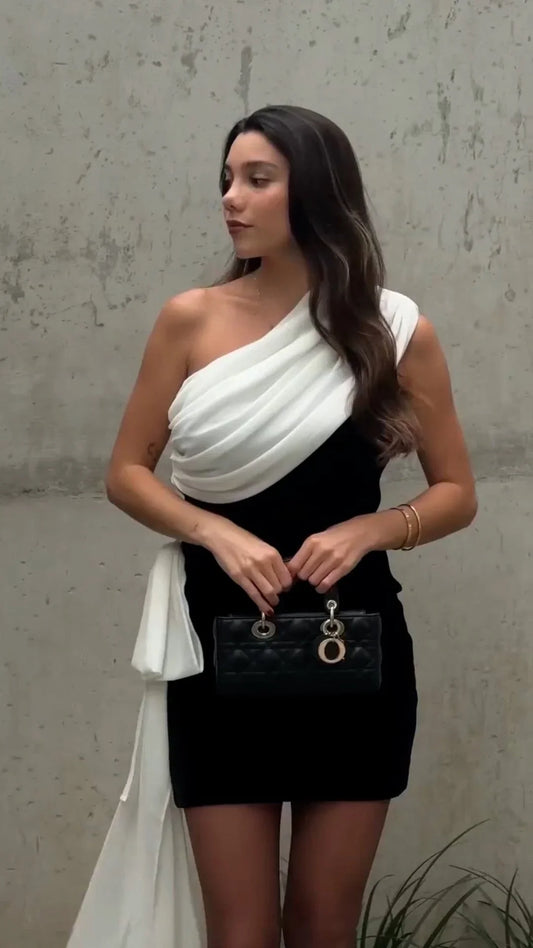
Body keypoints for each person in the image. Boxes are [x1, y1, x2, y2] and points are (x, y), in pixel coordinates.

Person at [68, 105, 477, 948]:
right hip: (218, 652)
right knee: (242, 932)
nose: (231, 198)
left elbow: (455, 493)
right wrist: (214, 531)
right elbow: (126, 474)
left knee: (325, 926)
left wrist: (370, 529)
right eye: (226, 179)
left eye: (257, 179)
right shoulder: (191, 319)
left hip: (352, 648)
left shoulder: (395, 331)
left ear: (317, 192)